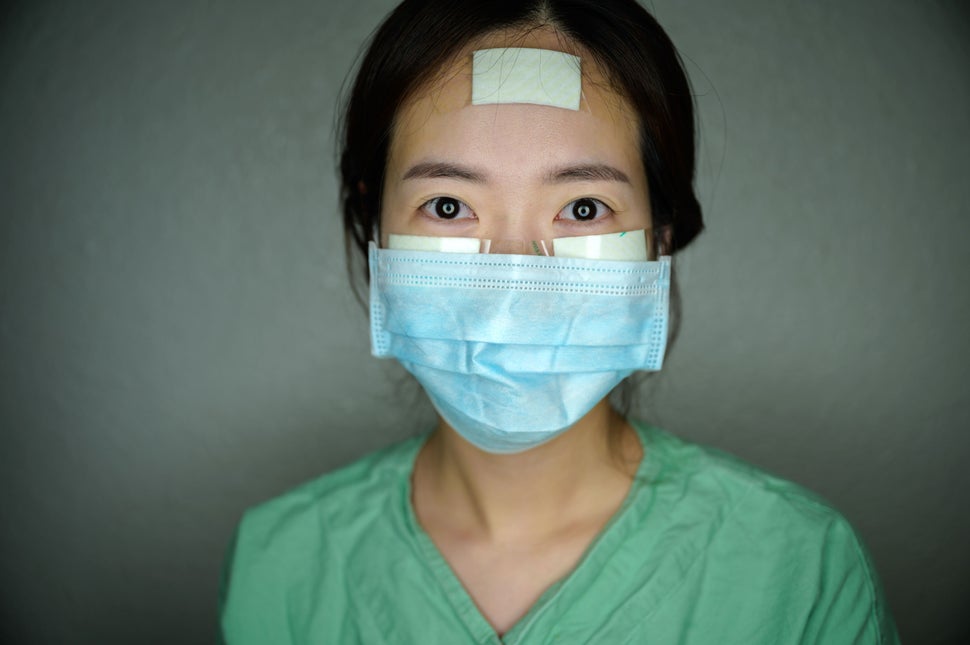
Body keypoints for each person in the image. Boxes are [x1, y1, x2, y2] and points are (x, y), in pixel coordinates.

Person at [219, 1, 899, 642]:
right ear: (376, 225)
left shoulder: (801, 568)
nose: (515, 279)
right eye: (449, 206)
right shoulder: (281, 562)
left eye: (582, 209)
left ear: (659, 236)